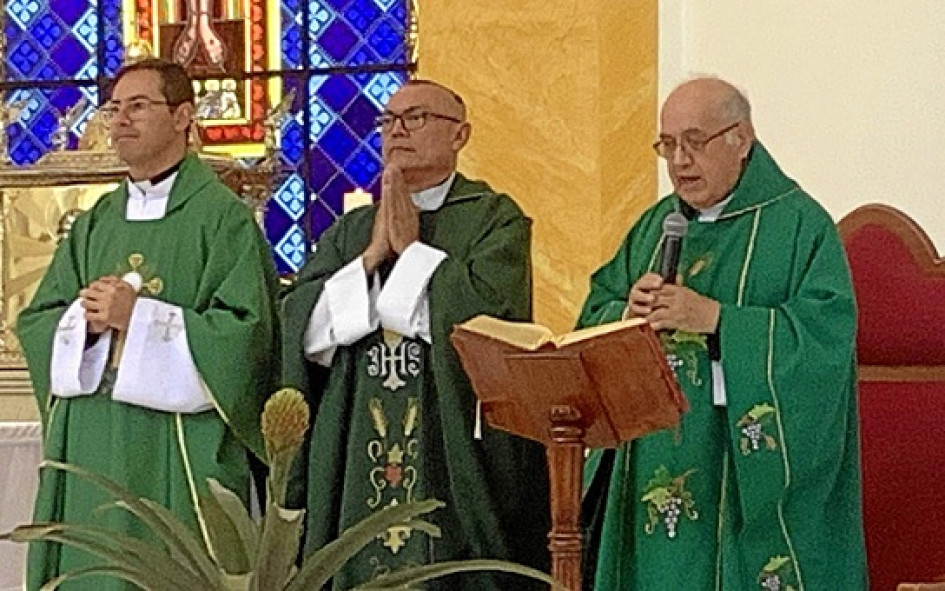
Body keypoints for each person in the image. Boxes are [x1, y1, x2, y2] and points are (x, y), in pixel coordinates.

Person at [579, 77, 866, 590]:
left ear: (742, 139)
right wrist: (625, 312)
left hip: (735, 470)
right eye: (668, 144)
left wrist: (718, 320)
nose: (680, 160)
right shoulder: (655, 226)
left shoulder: (799, 226)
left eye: (695, 141)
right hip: (650, 456)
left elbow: (824, 341)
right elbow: (593, 315)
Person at [17, 58, 279, 590]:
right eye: (114, 108)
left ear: (183, 116)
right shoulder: (95, 222)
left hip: (177, 443)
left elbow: (246, 336)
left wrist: (139, 319)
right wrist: (87, 325)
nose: (120, 121)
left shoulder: (221, 219)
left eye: (138, 106)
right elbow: (40, 320)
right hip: (93, 438)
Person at [280, 79, 550, 590]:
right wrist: (370, 259)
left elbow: (492, 325)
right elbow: (303, 329)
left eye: (416, 117)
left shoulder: (494, 220)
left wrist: (412, 254)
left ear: (460, 135)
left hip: (450, 444)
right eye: (388, 120)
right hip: (356, 446)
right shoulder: (353, 231)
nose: (397, 130)